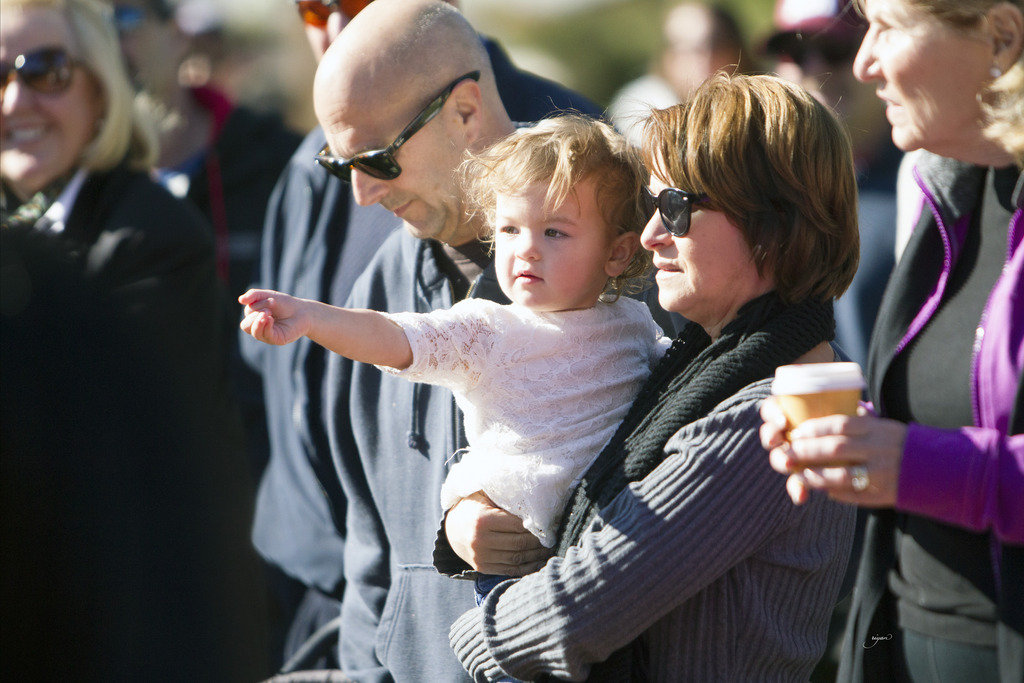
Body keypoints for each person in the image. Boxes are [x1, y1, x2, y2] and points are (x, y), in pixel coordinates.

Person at [436, 72, 861, 681]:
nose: (650, 235)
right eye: (650, 207)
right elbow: (548, 437)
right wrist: (465, 510)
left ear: (771, 223)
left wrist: (469, 637)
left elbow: (576, 611)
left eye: (676, 208)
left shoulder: (769, 413)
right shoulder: (701, 366)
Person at [243, 0, 608, 674]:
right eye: (339, 164)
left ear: (467, 111)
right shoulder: (375, 296)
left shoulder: (612, 262)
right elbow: (371, 567)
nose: (361, 197)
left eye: (378, 159)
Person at [242, 114, 668, 595]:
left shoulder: (634, 321)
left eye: (554, 233)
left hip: (612, 548)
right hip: (514, 559)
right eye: (509, 229)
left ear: (617, 253)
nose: (525, 250)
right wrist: (312, 318)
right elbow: (397, 337)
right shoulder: (488, 328)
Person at [761, 1, 1024, 681]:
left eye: (888, 27)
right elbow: (945, 418)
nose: (863, 62)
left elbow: (941, 459)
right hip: (902, 641)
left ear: (1001, 35)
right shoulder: (943, 186)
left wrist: (917, 465)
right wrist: (854, 440)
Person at [0, 0, 246, 466]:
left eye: (46, 71)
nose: (14, 101)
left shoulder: (156, 242)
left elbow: (105, 453)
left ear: (101, 90)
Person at [763, 0, 903, 368]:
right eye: (795, 51)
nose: (815, 67)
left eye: (833, 49)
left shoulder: (932, 180)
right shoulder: (761, 195)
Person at [607, 1, 751, 147]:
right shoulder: (643, 109)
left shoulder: (758, 102)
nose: (706, 57)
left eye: (717, 43)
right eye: (690, 48)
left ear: (738, 49)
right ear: (668, 56)